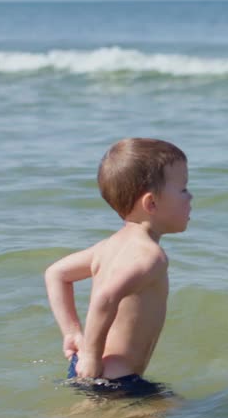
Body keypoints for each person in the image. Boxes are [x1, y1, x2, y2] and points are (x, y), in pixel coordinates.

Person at [44, 138, 192, 398]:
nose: (190, 196)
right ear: (151, 204)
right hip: (116, 379)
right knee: (175, 411)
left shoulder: (107, 246)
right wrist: (90, 355)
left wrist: (72, 334)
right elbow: (106, 298)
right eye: (183, 189)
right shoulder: (151, 257)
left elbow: (56, 274)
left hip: (91, 369)